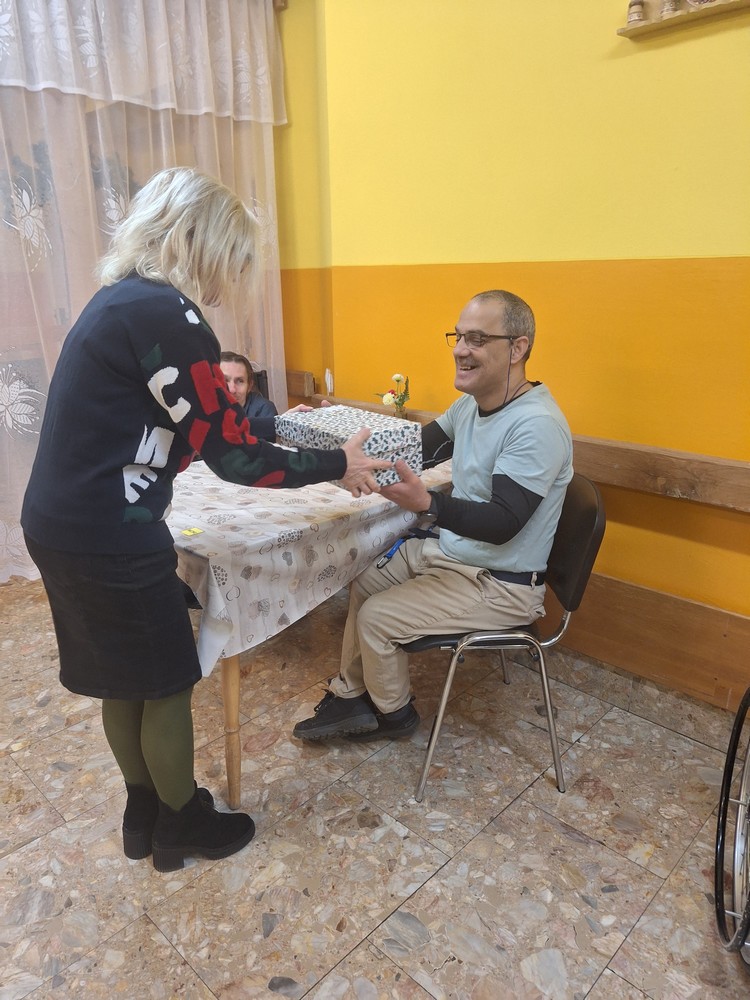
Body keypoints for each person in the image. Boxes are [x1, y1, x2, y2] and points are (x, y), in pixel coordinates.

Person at [21, 166, 389, 872]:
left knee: (122, 679)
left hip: (60, 525)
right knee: (165, 682)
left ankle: (144, 812)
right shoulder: (168, 313)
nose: (230, 283)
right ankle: (184, 822)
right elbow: (236, 458)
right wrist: (335, 464)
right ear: (203, 243)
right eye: (234, 260)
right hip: (109, 533)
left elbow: (187, 429)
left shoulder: (119, 300)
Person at [292, 289, 573, 742]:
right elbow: (413, 451)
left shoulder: (535, 425)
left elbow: (503, 523)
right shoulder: (472, 406)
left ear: (518, 348)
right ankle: (352, 695)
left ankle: (395, 716)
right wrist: (336, 432)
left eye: (477, 339)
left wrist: (429, 504)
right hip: (457, 555)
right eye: (458, 337)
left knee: (377, 619)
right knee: (365, 580)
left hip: (502, 581)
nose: (460, 350)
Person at [220, 350, 278, 431]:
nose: (232, 389)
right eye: (224, 380)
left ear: (249, 386)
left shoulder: (263, 410)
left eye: (240, 381)